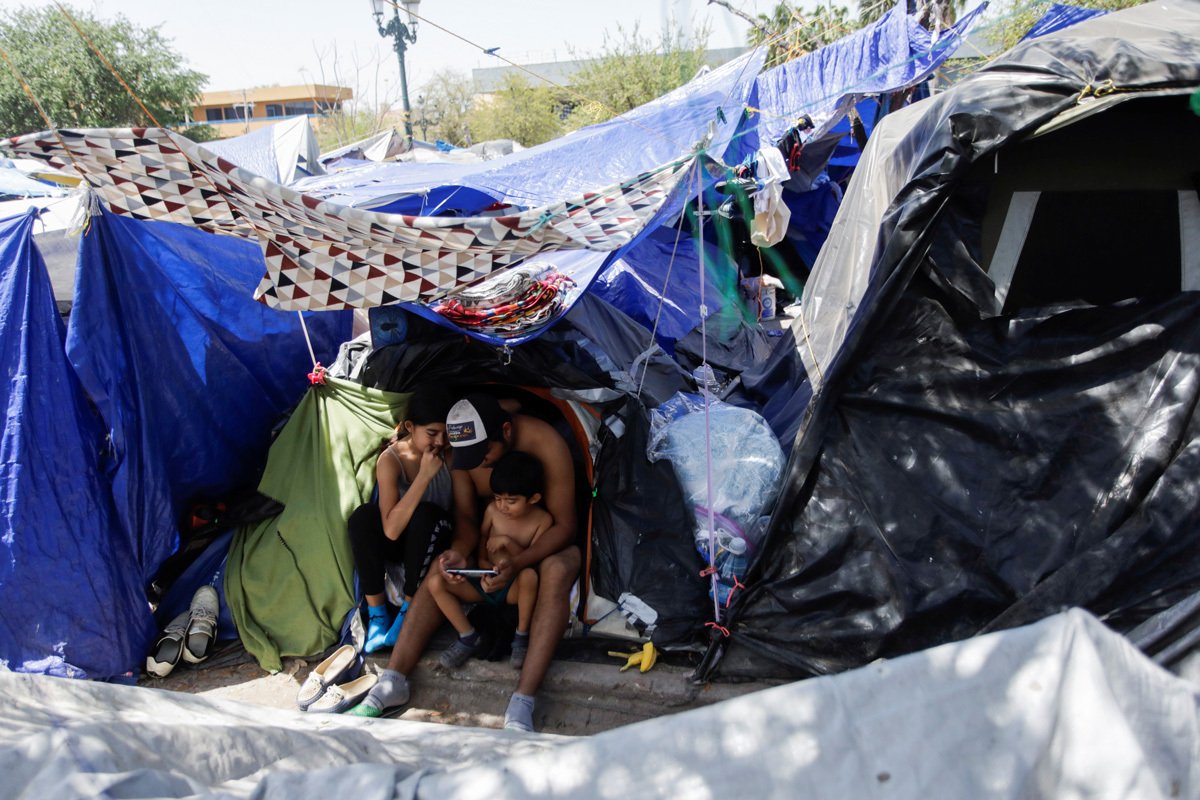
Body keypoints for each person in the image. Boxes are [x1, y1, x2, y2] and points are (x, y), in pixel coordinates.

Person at [353, 392, 578, 733]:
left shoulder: (545, 443)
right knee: (442, 566)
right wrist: (459, 552)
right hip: (492, 552)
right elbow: (468, 520)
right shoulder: (463, 455)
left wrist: (519, 561)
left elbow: (565, 525)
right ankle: (394, 680)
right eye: (469, 456)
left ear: (505, 431)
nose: (479, 463)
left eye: (484, 453)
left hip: (542, 543)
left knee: (556, 571)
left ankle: (523, 701)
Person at [346, 386, 455, 653]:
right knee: (362, 518)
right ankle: (378, 616)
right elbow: (391, 530)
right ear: (410, 426)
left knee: (426, 515)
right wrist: (424, 476)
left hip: (437, 537)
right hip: (403, 540)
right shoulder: (391, 459)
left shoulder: (451, 456)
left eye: (445, 433)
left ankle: (408, 610)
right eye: (432, 433)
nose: (440, 441)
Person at [426, 450, 551, 671]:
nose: (503, 506)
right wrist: (482, 565)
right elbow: (482, 538)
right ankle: (467, 635)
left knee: (530, 576)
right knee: (435, 583)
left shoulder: (542, 520)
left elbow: (533, 559)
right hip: (485, 582)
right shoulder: (493, 511)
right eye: (498, 498)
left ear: (534, 498)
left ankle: (521, 635)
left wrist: (507, 543)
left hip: (514, 587)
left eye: (511, 501)